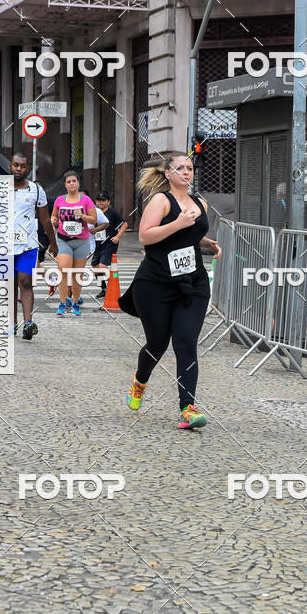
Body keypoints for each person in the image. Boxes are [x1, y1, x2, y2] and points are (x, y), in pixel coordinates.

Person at [118, 152, 221, 430]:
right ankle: (140, 381)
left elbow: (189, 235)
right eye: (180, 168)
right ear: (168, 174)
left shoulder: (201, 203)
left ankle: (188, 409)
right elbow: (145, 236)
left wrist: (205, 242)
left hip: (193, 283)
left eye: (190, 168)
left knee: (186, 343)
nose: (186, 172)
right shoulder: (161, 201)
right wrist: (177, 223)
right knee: (157, 343)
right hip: (156, 283)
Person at [0, 152, 58, 340]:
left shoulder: (36, 190)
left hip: (28, 246)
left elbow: (45, 219)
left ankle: (28, 323)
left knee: (26, 282)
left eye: (22, 166)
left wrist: (53, 243)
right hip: (4, 247)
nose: (18, 169)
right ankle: (11, 324)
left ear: (28, 168)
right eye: (15, 165)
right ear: (10, 166)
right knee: (9, 285)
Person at [50, 171, 96, 317]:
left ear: (78, 183)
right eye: (68, 181)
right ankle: (63, 303)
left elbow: (94, 220)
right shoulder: (59, 200)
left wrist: (82, 215)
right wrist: (53, 221)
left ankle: (75, 302)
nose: (71, 184)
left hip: (81, 241)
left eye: (74, 181)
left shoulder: (86, 200)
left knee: (77, 274)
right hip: (63, 239)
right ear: (65, 184)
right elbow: (54, 216)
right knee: (63, 270)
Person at [90, 191, 127, 298]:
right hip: (97, 244)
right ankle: (104, 289)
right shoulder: (93, 212)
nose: (101, 202)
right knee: (95, 267)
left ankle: (113, 285)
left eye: (103, 200)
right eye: (99, 200)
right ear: (96, 201)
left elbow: (124, 224)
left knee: (102, 266)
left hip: (110, 243)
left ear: (108, 202)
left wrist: (117, 236)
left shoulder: (112, 213)